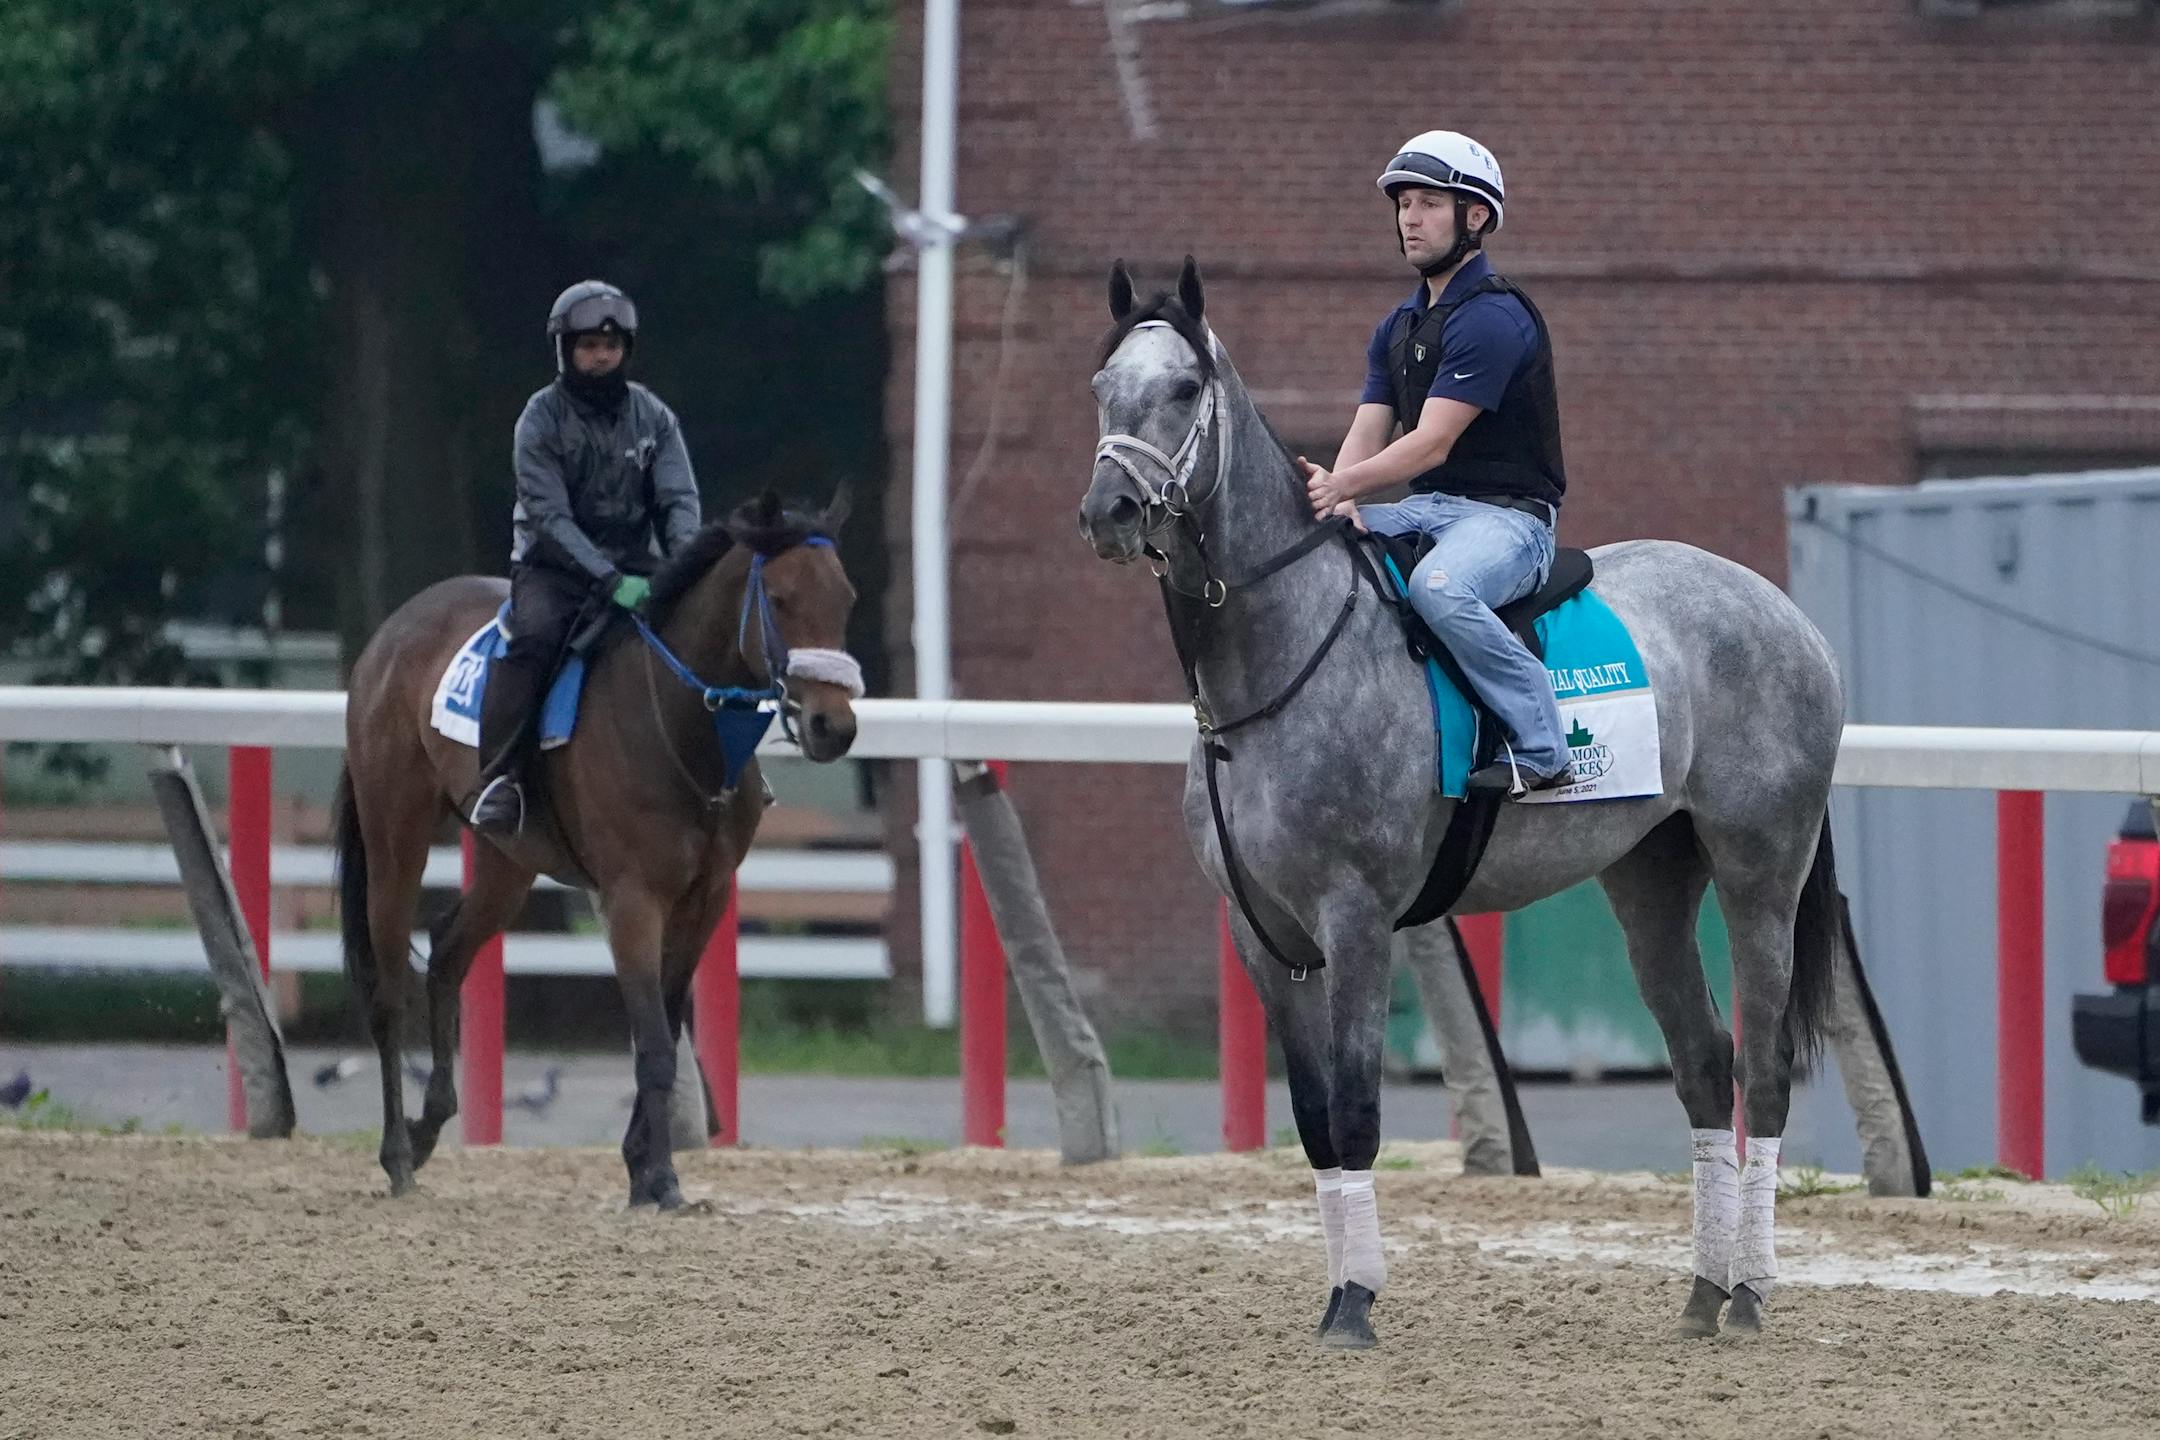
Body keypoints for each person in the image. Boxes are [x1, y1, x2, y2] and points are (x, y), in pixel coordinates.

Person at [1300, 130, 1573, 796]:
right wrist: (1336, 506)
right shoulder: (1396, 327)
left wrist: (1343, 488)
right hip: (1431, 510)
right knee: (1321, 553)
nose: (1410, 219)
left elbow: (1429, 444)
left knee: (1441, 588)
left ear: (1474, 217)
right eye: (1403, 205)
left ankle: (1543, 745)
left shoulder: (1493, 320)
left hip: (1511, 523)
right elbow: (1368, 432)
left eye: (1427, 203)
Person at [470, 280, 702, 834]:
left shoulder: (655, 417)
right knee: (535, 639)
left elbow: (678, 501)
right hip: (553, 569)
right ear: (566, 351)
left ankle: (728, 773)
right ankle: (502, 778)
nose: (601, 357)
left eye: (612, 345)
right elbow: (549, 519)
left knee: (703, 629)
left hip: (634, 563)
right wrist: (607, 578)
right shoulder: (539, 418)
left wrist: (685, 567)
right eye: (589, 346)